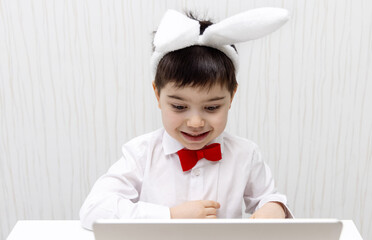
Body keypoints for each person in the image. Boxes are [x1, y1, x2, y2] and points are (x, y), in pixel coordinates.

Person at [80, 8, 292, 230]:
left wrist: (274, 207)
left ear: (232, 97)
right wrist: (170, 216)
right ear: (157, 95)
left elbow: (267, 198)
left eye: (211, 107)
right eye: (179, 106)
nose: (195, 123)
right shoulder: (141, 153)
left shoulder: (245, 154)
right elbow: (94, 209)